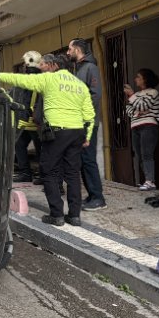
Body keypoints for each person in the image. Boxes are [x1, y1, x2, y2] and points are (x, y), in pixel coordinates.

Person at [0, 54, 95, 227]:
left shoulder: (49, 79)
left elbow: (22, 80)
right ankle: (74, 216)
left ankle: (57, 215)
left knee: (50, 172)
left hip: (56, 133)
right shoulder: (80, 85)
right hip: (77, 132)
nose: (42, 67)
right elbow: (89, 114)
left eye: (44, 64)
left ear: (53, 66)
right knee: (73, 174)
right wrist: (88, 136)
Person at [66, 38, 106, 210]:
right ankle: (92, 196)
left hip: (88, 122)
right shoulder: (79, 69)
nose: (67, 53)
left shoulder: (91, 68)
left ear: (77, 49)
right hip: (79, 122)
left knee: (88, 160)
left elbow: (95, 95)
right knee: (83, 159)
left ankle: (98, 198)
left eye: (69, 49)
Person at [124, 68, 159, 191]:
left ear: (145, 79)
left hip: (149, 126)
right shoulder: (137, 95)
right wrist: (138, 109)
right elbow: (128, 110)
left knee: (147, 154)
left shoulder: (153, 92)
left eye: (138, 77)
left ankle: (150, 181)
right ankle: (147, 180)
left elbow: (143, 105)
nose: (136, 79)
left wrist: (131, 95)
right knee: (139, 155)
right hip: (135, 127)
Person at [11, 51, 44, 183]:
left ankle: (27, 173)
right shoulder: (42, 78)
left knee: (20, 144)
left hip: (29, 121)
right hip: (37, 120)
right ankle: (41, 175)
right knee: (40, 149)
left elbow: (23, 99)